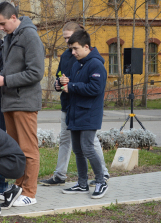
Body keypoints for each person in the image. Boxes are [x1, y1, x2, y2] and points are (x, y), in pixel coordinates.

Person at [39, 22, 110, 187]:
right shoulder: (67, 56)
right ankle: (65, 177)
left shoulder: (93, 60)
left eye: (70, 39)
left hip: (85, 109)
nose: (67, 43)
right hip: (69, 107)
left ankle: (102, 176)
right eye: (65, 39)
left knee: (89, 144)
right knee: (70, 143)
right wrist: (59, 83)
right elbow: (61, 75)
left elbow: (94, 86)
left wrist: (71, 85)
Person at [0, 2, 44, 207]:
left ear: (13, 18)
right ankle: (18, 188)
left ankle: (30, 192)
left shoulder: (29, 36)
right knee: (16, 150)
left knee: (28, 149)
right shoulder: (11, 37)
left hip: (25, 102)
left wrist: (6, 81)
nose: (1, 28)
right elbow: (10, 69)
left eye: (3, 24)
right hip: (10, 102)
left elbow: (36, 72)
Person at [60, 29, 108, 199]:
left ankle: (101, 181)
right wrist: (64, 84)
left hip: (89, 114)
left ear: (86, 47)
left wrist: (72, 87)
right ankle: (82, 184)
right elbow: (74, 84)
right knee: (78, 150)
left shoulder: (96, 64)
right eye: (71, 49)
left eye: (75, 49)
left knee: (88, 148)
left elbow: (96, 88)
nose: (73, 53)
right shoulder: (77, 64)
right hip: (75, 113)